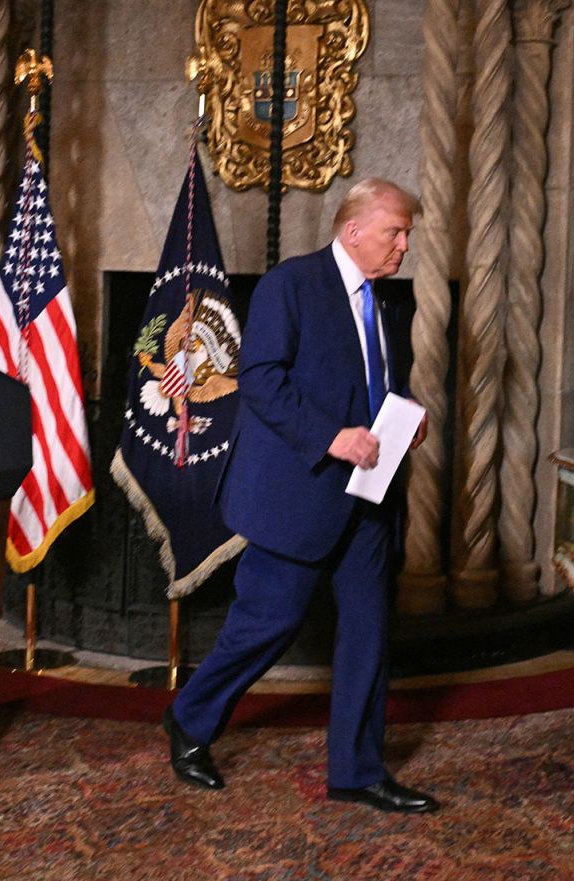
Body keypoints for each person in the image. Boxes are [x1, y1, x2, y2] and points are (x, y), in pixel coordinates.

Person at [162, 178, 438, 814]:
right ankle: (190, 719)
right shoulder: (292, 285)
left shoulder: (386, 303)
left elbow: (376, 387)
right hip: (300, 491)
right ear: (353, 231)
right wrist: (330, 438)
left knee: (368, 633)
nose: (403, 246)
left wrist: (405, 420)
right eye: (394, 232)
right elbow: (259, 380)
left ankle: (357, 770)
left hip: (370, 497)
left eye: (407, 235)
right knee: (268, 623)